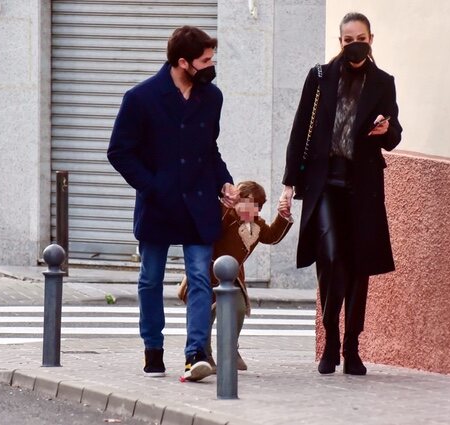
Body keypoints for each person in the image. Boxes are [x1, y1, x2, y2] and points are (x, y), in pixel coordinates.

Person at [107, 25, 239, 383]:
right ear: (183, 62)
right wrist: (152, 185)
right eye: (205, 60)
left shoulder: (212, 98)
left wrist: (223, 181)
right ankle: (153, 349)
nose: (211, 65)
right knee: (150, 279)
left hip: (199, 204)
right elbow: (119, 151)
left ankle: (195, 353)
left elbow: (209, 150)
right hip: (158, 205)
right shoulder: (141, 98)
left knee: (200, 276)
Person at [278, 12, 402, 376]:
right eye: (348, 40)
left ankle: (352, 346)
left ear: (371, 39)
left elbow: (394, 133)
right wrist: (288, 185)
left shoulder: (383, 82)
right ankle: (330, 338)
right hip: (324, 184)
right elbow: (300, 129)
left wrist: (387, 130)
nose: (355, 44)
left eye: (360, 38)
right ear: (340, 42)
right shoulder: (321, 77)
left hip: (362, 185)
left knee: (358, 265)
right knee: (331, 258)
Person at [178, 181, 293, 373]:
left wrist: (284, 215)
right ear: (238, 200)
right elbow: (211, 229)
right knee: (204, 315)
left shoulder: (256, 224)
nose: (255, 210)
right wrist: (226, 205)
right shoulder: (225, 214)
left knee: (239, 308)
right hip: (207, 272)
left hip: (233, 276)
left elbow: (272, 235)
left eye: (259, 206)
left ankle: (230, 349)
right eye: (250, 203)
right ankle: (203, 355)